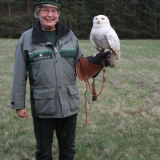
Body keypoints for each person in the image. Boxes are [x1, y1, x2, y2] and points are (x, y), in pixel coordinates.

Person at [11, 0, 111, 159]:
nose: (50, 15)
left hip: (69, 106)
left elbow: (81, 67)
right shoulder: (27, 38)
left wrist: (98, 61)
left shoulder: (69, 36)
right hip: (43, 107)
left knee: (68, 150)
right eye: (45, 10)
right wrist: (19, 104)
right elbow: (19, 73)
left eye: (54, 10)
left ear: (58, 13)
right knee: (43, 152)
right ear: (38, 13)